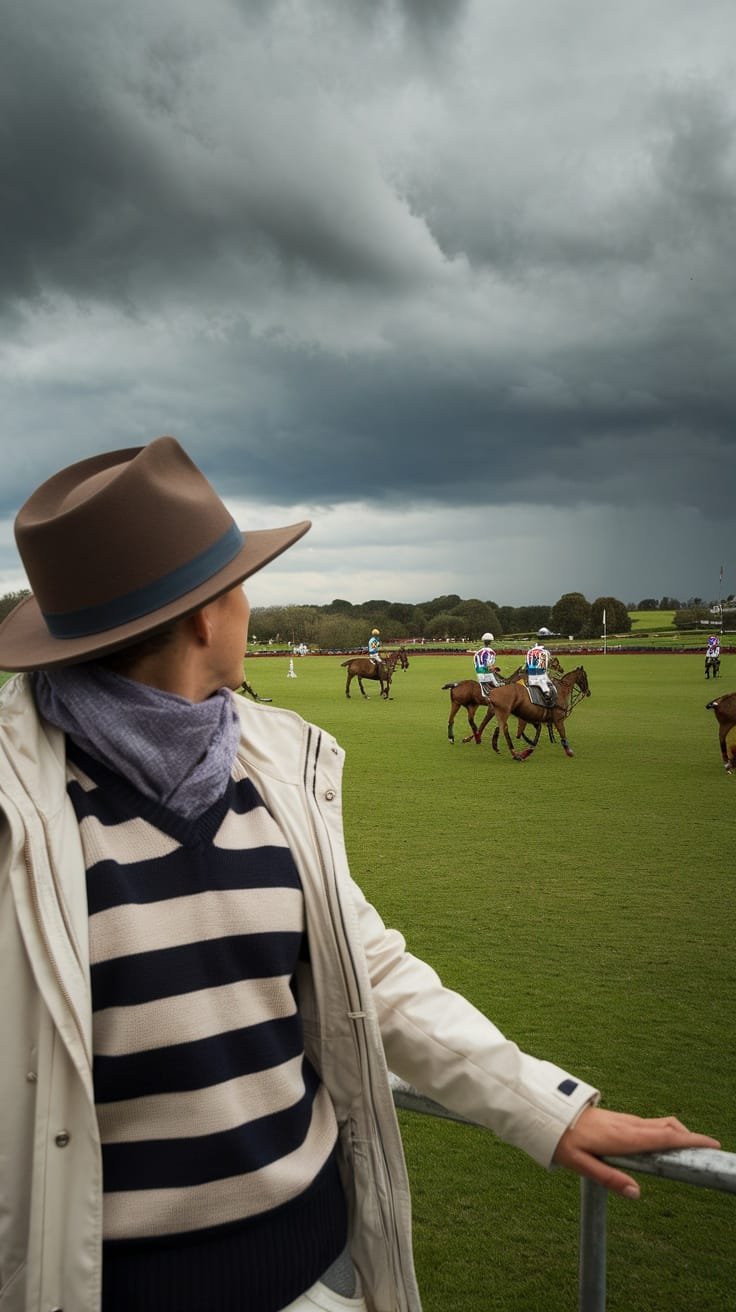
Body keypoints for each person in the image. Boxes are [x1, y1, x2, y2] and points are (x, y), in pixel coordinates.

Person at [0, 437, 719, 1312]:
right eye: (240, 585)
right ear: (203, 617)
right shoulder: (19, 813)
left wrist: (546, 1106)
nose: (249, 604)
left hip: (314, 1272)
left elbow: (369, 970)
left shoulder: (279, 769)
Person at [473, 631, 502, 699]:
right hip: (488, 673)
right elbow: (489, 665)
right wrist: (494, 668)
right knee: (500, 685)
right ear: (491, 642)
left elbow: (475, 663)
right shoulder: (491, 652)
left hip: (479, 674)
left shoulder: (478, 652)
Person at [526, 639, 555, 705]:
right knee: (547, 687)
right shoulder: (543, 652)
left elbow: (527, 664)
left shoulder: (530, 651)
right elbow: (543, 665)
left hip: (530, 673)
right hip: (539, 673)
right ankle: (547, 700)